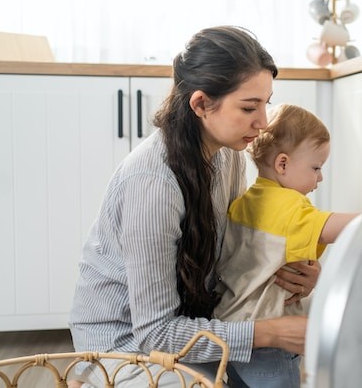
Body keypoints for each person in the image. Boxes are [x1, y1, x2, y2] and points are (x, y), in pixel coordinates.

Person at [67, 26, 321, 388]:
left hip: (189, 316)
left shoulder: (226, 156)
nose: (263, 122)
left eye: (266, 103)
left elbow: (235, 251)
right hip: (122, 345)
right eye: (249, 107)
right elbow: (155, 333)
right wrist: (268, 333)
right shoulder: (153, 184)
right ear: (201, 104)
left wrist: (292, 268)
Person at [213, 104, 359, 387]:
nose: (320, 177)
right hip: (270, 340)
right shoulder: (291, 208)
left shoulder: (246, 200)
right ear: (282, 164)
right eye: (316, 167)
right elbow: (334, 228)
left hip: (234, 331)